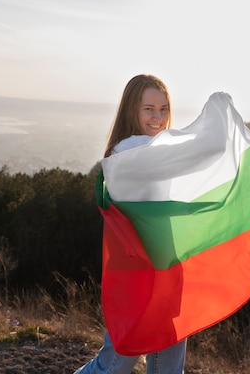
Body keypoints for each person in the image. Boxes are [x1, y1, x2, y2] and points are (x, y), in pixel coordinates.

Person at [74, 74, 187, 374]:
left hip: (164, 268)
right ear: (131, 111)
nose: (158, 117)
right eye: (148, 108)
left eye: (163, 109)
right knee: (116, 363)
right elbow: (190, 157)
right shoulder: (131, 150)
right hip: (137, 275)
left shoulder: (155, 148)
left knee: (166, 359)